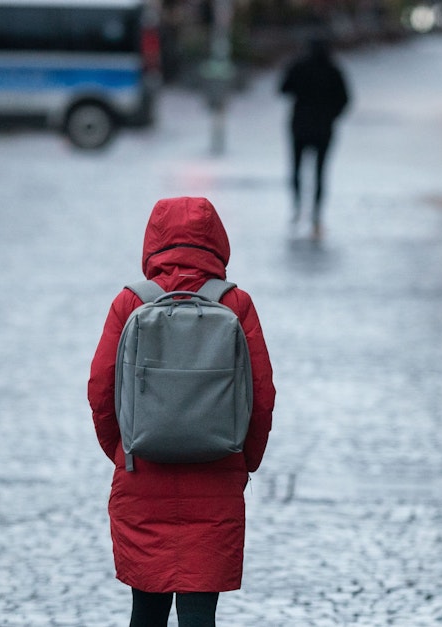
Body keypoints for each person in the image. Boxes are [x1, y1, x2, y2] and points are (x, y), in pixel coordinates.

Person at [88, 197, 277, 627]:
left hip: (142, 476)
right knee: (199, 613)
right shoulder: (235, 304)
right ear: (217, 242)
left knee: (146, 609)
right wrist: (244, 459)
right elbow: (261, 395)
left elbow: (101, 389)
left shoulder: (130, 303)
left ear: (152, 242)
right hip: (216, 475)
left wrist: (123, 449)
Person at [278, 35, 350, 239]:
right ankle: (316, 214)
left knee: (296, 169)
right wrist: (332, 115)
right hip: (323, 128)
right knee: (320, 172)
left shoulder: (298, 66)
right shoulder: (333, 70)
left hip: (300, 126)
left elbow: (283, 89)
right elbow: (345, 99)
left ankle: (297, 207)